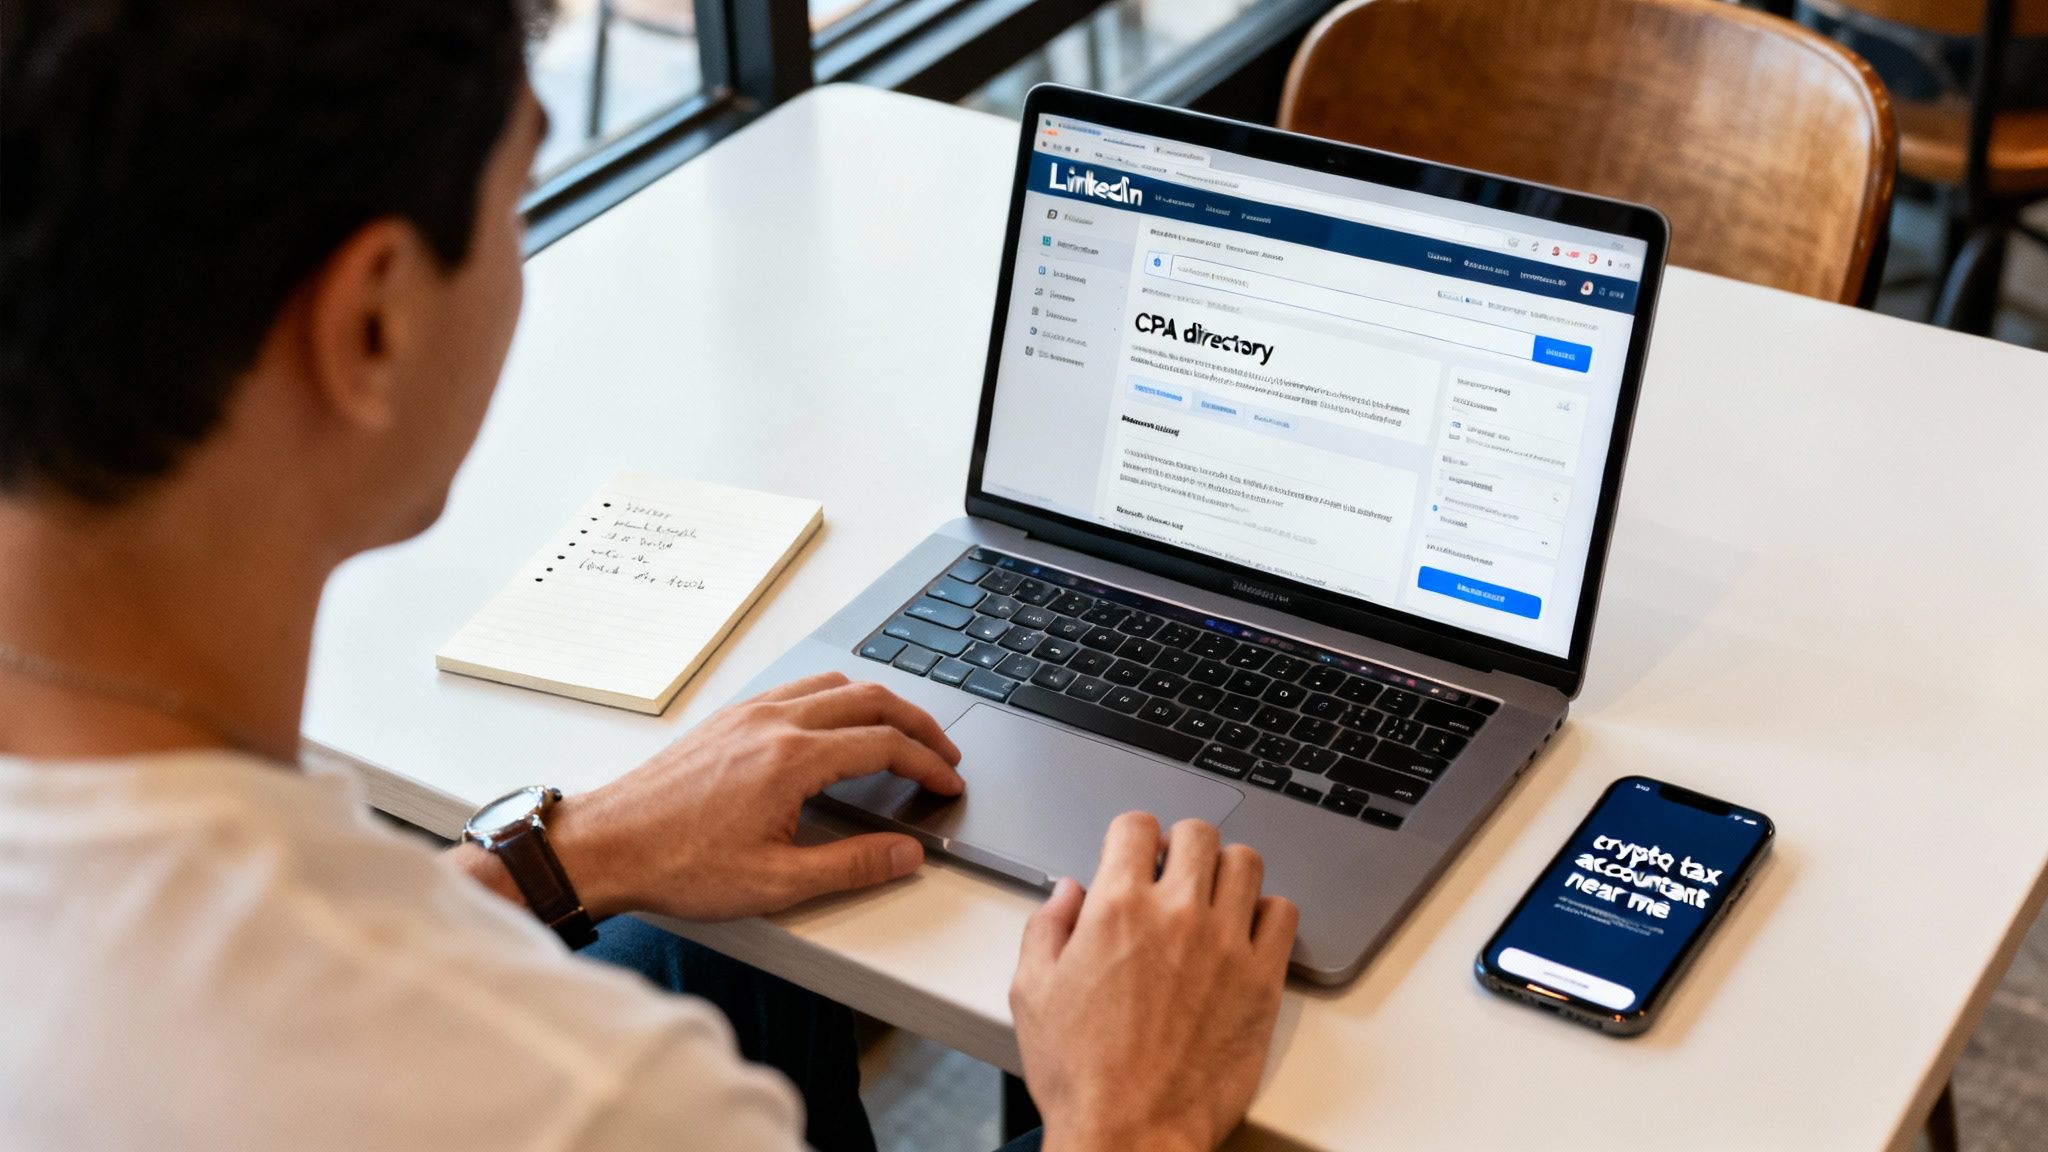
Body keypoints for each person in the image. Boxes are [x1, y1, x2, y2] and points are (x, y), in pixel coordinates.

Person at [0, 2, 1300, 1151]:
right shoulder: (586, 1105)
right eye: (517, 199)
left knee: (708, 950)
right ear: (372, 321)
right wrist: (1130, 1123)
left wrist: (558, 856)